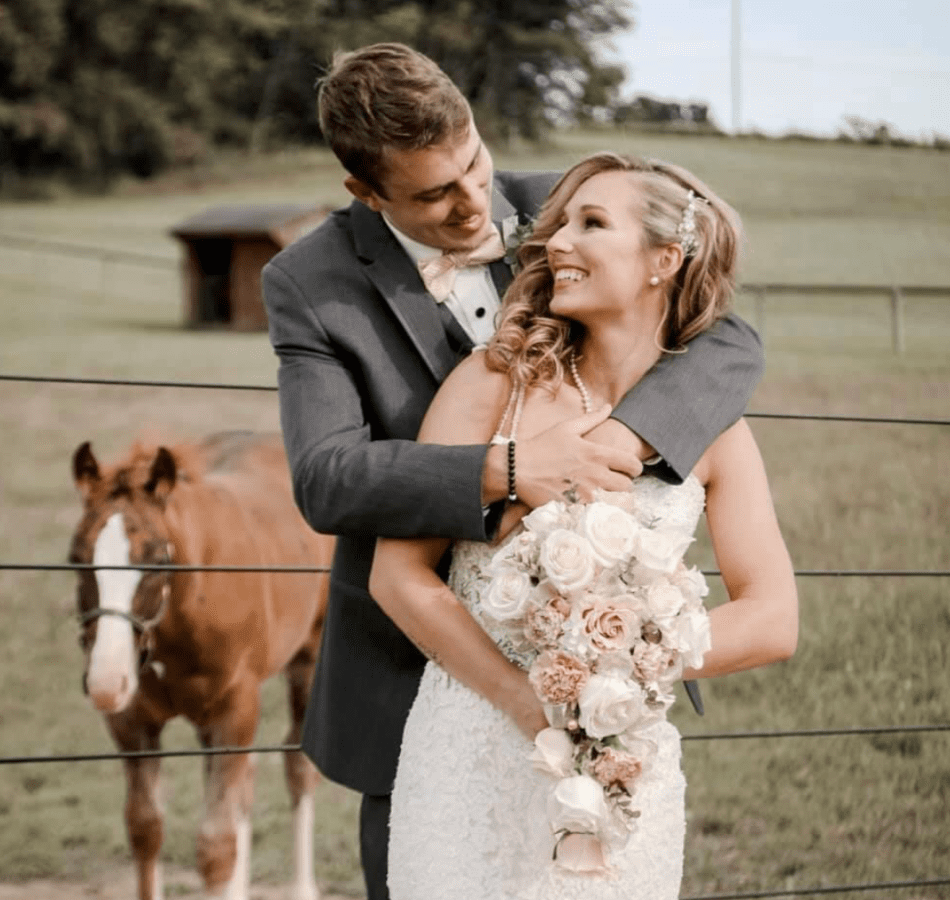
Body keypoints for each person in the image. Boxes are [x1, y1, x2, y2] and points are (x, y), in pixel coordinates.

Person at [262, 43, 764, 900]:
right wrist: (513, 469)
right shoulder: (310, 283)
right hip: (410, 672)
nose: (472, 204)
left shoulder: (566, 210)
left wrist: (619, 448)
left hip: (598, 670)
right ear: (367, 193)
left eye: (474, 164)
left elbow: (727, 338)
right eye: (432, 194)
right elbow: (327, 477)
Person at [369, 151, 798, 899]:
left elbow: (773, 619)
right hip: (467, 752)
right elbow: (398, 574)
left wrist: (632, 658)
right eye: (559, 223)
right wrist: (519, 697)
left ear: (664, 258)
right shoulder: (490, 386)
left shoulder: (716, 433)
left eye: (591, 224)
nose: (555, 243)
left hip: (624, 759)